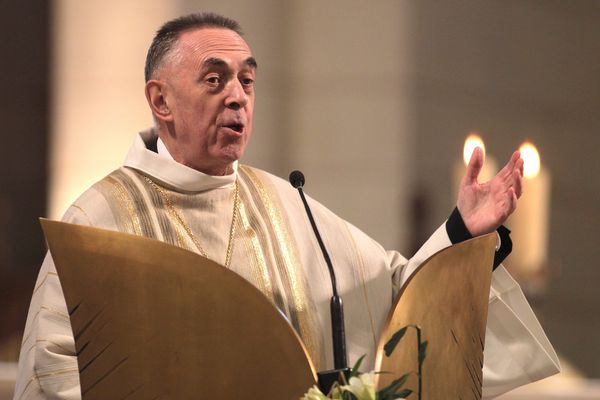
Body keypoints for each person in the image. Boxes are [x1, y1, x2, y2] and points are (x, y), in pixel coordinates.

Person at [13, 13, 559, 400]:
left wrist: (462, 229)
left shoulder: (283, 204)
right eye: (214, 79)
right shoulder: (100, 220)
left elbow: (395, 302)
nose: (237, 97)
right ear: (160, 101)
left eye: (247, 81)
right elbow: (56, 371)